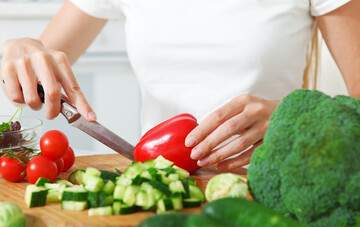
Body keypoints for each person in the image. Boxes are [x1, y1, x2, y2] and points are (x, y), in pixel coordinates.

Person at [1, 0, 359, 171]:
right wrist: (20, 50)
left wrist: (298, 118)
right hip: (159, 189)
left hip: (272, 184)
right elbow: (35, 70)